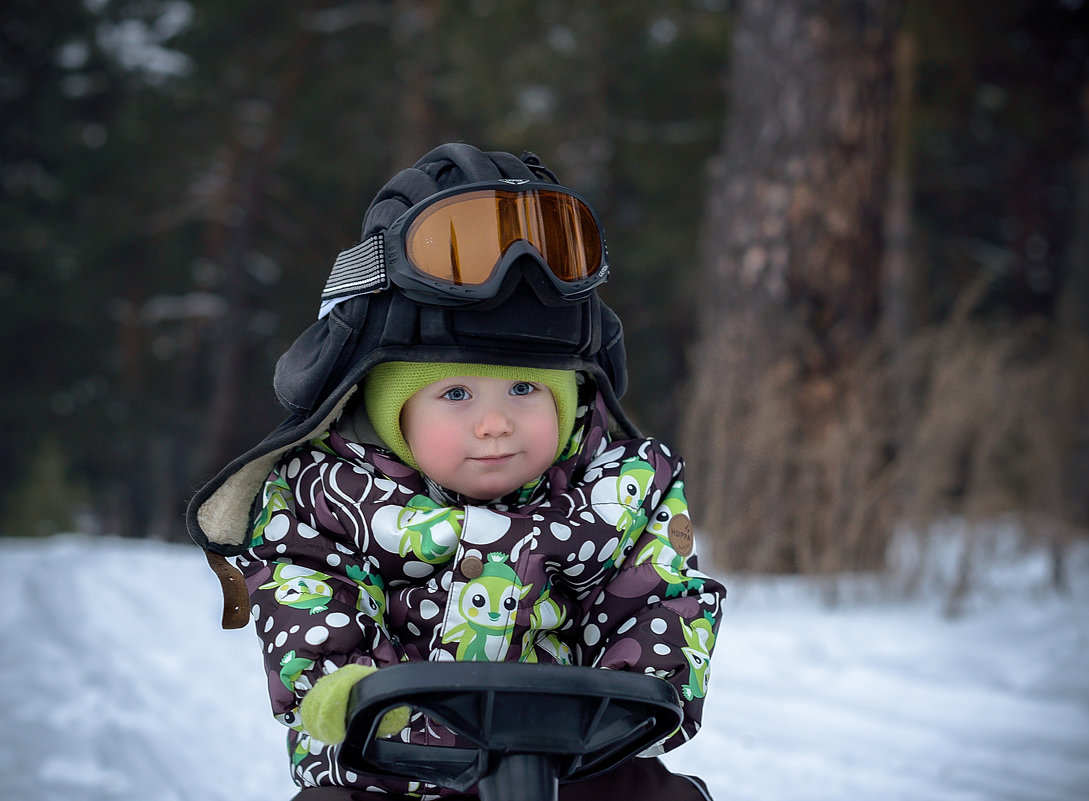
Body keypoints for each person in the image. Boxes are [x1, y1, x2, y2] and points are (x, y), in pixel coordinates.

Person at [186, 143, 724, 800]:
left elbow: (659, 594)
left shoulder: (617, 492)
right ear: (390, 412)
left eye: (526, 390)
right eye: (457, 394)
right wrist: (338, 687)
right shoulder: (327, 494)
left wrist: (643, 687)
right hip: (387, 761)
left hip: (574, 756)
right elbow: (303, 585)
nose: (495, 422)